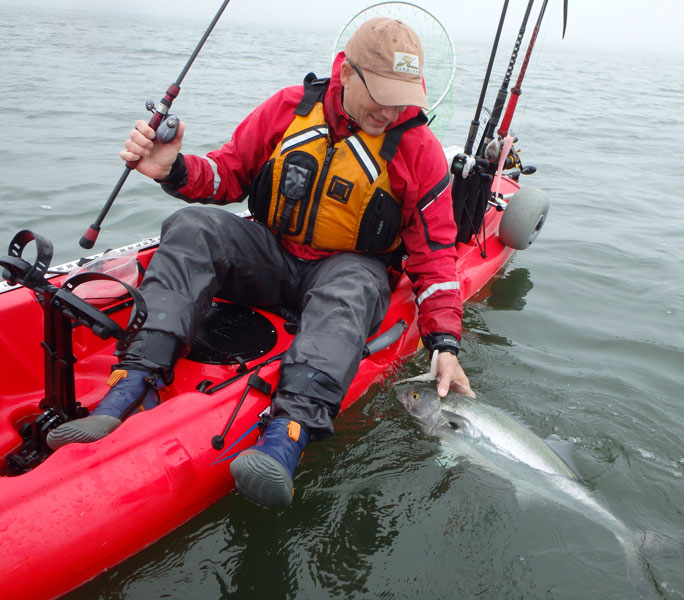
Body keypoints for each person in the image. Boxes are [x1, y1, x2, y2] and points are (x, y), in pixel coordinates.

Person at [46, 17, 473, 508]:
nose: (392, 108)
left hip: (347, 271)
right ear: (346, 72)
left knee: (352, 285)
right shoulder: (289, 107)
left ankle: (286, 436)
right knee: (191, 224)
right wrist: (175, 169)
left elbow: (435, 258)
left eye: (402, 96)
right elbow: (226, 176)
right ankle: (134, 383)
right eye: (381, 92)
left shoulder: (418, 150)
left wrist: (444, 342)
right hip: (272, 256)